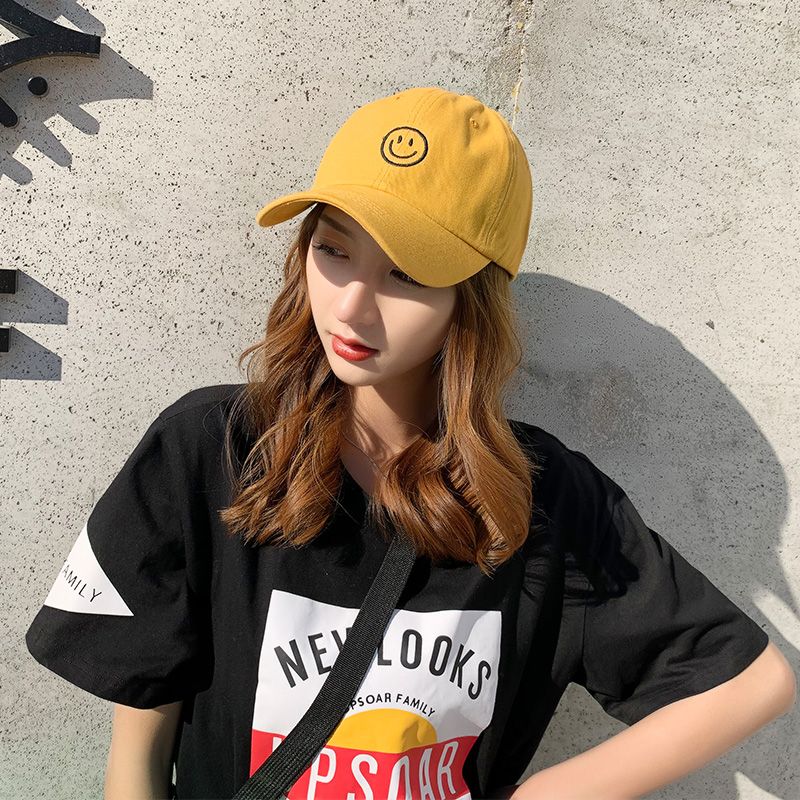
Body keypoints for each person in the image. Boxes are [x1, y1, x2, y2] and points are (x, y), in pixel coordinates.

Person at [24, 86, 794, 800]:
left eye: (407, 274)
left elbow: (749, 681)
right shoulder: (213, 450)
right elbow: (139, 746)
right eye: (333, 251)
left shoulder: (541, 500)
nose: (351, 307)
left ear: (473, 299)